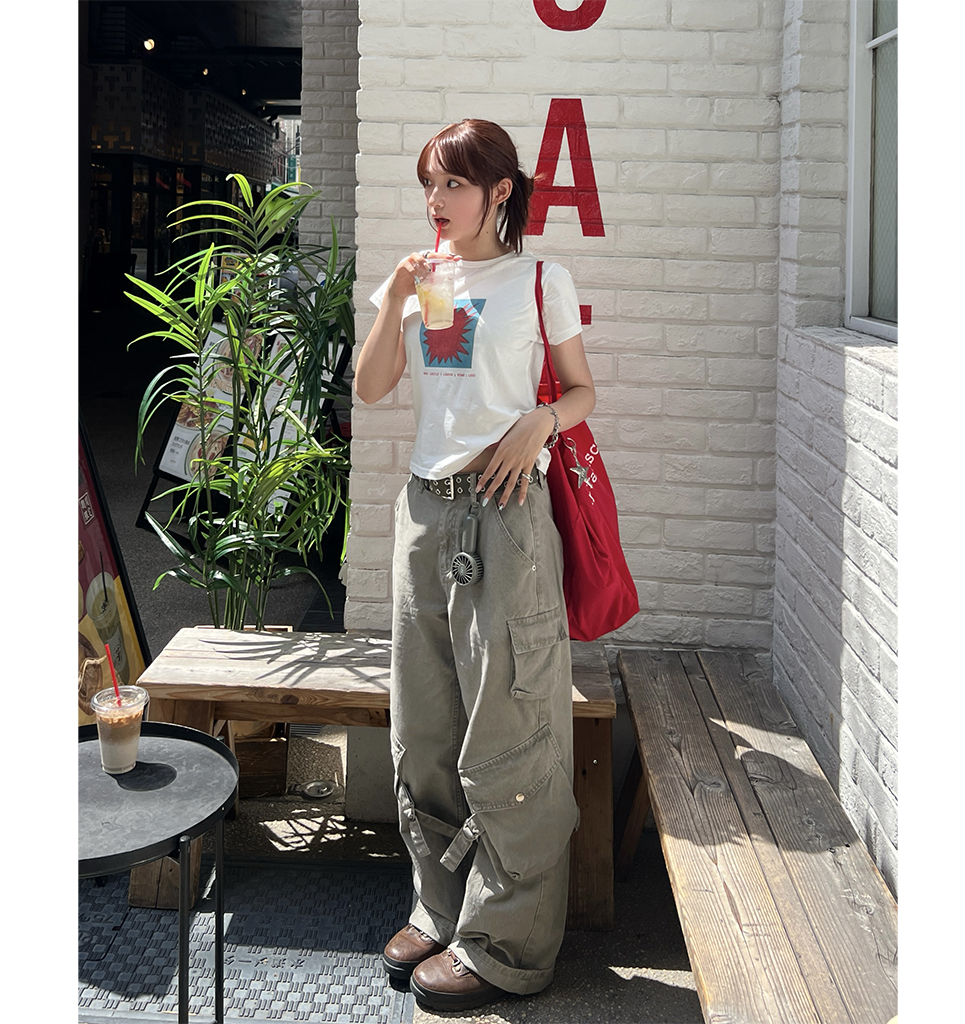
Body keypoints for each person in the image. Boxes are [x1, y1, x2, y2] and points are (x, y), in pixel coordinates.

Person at [354, 118, 596, 1013]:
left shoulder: (540, 279)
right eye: (429, 182)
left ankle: (508, 941)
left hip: (506, 515)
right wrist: (393, 296)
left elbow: (582, 389)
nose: (436, 199)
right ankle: (441, 905)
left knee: (510, 723)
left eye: (453, 182)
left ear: (500, 191)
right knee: (425, 722)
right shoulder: (429, 282)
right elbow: (374, 388)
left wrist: (542, 420)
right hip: (425, 512)